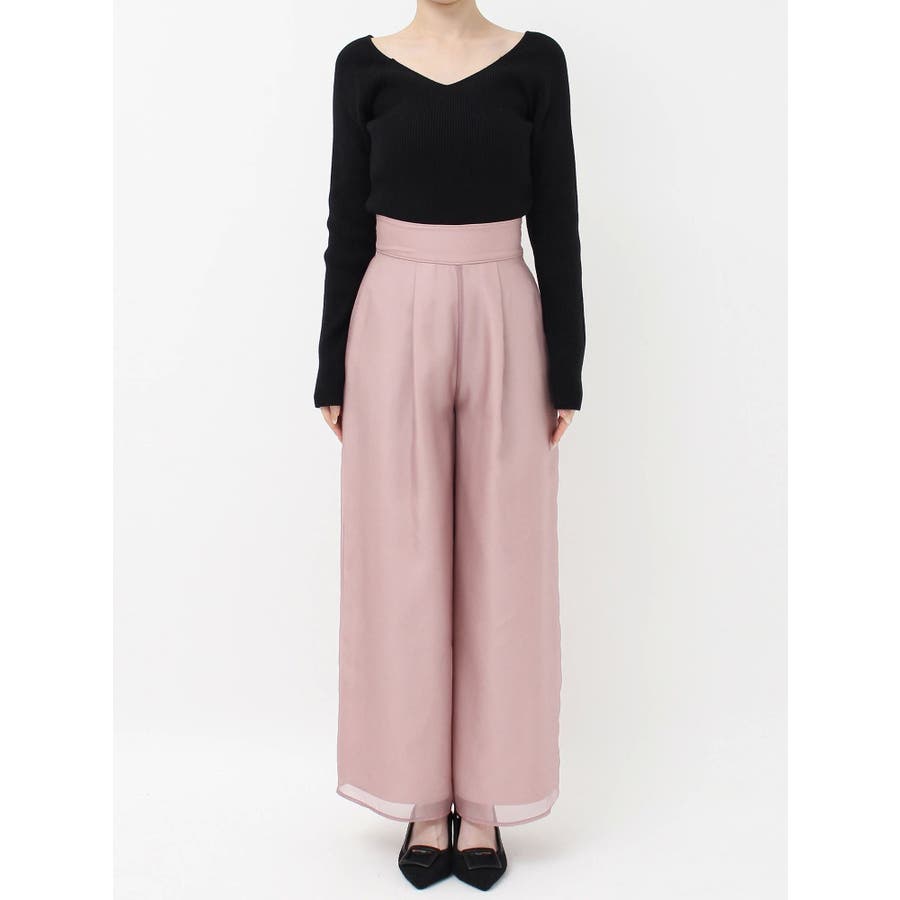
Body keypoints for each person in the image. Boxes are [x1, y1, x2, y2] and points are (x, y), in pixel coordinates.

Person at [314, 2, 585, 890]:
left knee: (506, 564)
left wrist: (567, 368)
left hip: (506, 310)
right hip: (390, 315)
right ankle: (421, 796)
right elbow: (346, 222)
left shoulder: (536, 62)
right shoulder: (363, 66)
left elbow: (557, 217)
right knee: (403, 562)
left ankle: (490, 797)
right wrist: (331, 368)